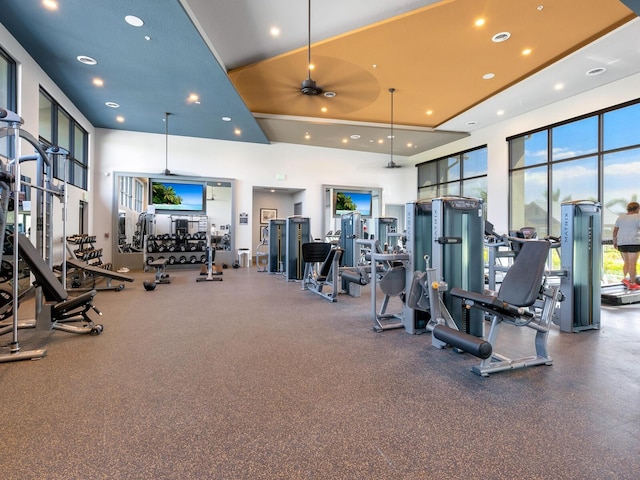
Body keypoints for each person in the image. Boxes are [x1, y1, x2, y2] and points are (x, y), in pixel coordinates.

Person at [613, 201, 640, 290]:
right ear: (637, 209)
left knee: (626, 262)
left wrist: (615, 241)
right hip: (633, 242)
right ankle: (632, 283)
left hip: (622, 243)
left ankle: (625, 278)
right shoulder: (638, 217)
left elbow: (615, 230)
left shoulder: (621, 217)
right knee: (633, 264)